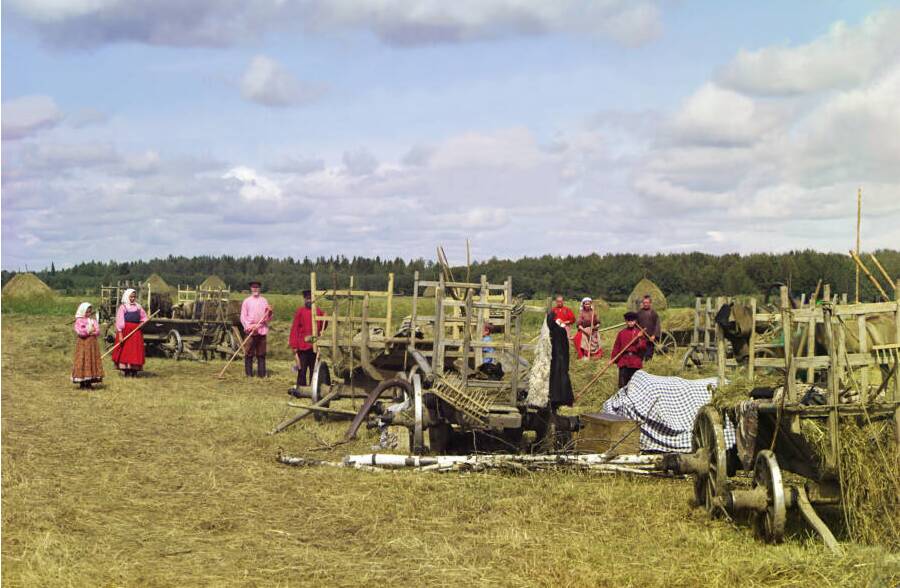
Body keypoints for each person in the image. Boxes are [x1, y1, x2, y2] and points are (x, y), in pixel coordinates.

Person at [288, 289, 325, 392]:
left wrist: (325, 318)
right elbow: (294, 328)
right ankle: (301, 389)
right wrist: (294, 345)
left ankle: (313, 389)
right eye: (307, 299)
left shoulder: (318, 312)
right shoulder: (300, 311)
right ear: (304, 299)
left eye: (311, 298)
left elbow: (323, 326)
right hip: (302, 346)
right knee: (302, 369)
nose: (309, 301)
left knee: (314, 370)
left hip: (314, 346)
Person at [112, 288, 147, 376]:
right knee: (126, 351)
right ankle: (126, 370)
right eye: (131, 297)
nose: (132, 298)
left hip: (136, 332)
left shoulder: (138, 307)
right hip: (126, 331)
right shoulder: (123, 307)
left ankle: (134, 370)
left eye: (134, 297)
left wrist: (142, 323)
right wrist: (120, 334)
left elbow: (144, 317)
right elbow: (120, 321)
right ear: (127, 297)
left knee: (135, 351)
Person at [241, 280, 273, 378]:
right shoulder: (247, 301)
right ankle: (249, 374)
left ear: (260, 289)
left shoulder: (264, 301)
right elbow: (243, 316)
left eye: (257, 287)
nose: (255, 289)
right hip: (250, 330)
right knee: (249, 353)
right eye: (253, 287)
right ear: (251, 289)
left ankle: (262, 374)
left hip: (261, 329)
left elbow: (268, 317)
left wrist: (270, 313)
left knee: (261, 353)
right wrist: (250, 327)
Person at [611, 311, 647, 389]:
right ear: (626, 321)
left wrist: (640, 337)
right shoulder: (621, 333)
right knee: (622, 384)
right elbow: (616, 346)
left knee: (634, 384)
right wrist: (613, 358)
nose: (630, 323)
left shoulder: (639, 333)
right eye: (628, 321)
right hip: (624, 360)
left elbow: (643, 347)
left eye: (632, 321)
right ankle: (622, 398)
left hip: (635, 360)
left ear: (635, 321)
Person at [71, 302, 104, 389]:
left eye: (89, 312)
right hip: (83, 344)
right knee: (82, 360)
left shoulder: (92, 320)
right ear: (82, 311)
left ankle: (89, 382)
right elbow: (80, 332)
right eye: (86, 312)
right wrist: (89, 330)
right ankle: (82, 382)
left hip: (92, 345)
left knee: (91, 361)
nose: (88, 314)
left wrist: (91, 331)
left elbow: (97, 331)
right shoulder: (79, 321)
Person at [636, 295, 661, 360]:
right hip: (641, 337)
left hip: (650, 337)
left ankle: (648, 362)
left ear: (650, 303)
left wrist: (654, 335)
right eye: (644, 303)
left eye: (647, 303)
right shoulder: (639, 313)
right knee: (640, 352)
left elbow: (657, 325)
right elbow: (636, 324)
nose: (645, 304)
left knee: (649, 353)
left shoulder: (654, 313)